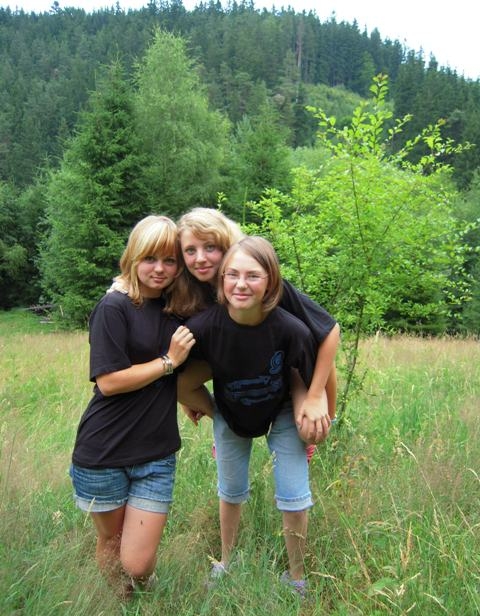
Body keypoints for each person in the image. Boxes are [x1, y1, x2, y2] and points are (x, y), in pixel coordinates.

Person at [69, 215, 210, 599]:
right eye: (150, 258)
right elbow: (109, 382)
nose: (159, 269)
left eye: (169, 260)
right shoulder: (113, 307)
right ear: (132, 257)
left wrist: (184, 393)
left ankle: (145, 587)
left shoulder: (175, 307)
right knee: (111, 541)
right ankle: (127, 602)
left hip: (156, 453)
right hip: (104, 452)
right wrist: (169, 362)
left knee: (137, 562)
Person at [183, 236, 323, 594]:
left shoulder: (291, 329)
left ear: (271, 282)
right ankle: (226, 562)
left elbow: (313, 377)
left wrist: (317, 417)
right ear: (221, 280)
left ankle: (297, 577)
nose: (241, 284)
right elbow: (176, 380)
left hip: (282, 409)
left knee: (294, 493)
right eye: (232, 274)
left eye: (253, 276)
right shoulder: (203, 327)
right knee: (230, 490)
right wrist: (208, 409)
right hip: (230, 411)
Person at [172, 207, 339, 447]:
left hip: (284, 363)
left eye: (210, 247)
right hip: (231, 363)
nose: (200, 258)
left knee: (310, 428)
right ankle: (224, 423)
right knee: (176, 382)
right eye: (190, 250)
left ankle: (310, 429)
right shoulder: (189, 289)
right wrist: (188, 398)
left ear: (226, 246)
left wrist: (319, 403)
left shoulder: (264, 286)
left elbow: (327, 332)